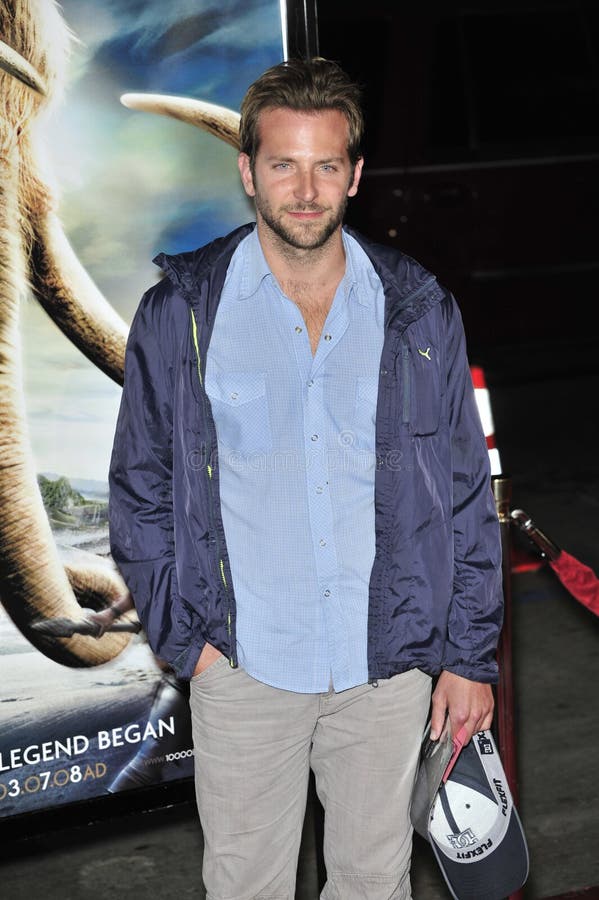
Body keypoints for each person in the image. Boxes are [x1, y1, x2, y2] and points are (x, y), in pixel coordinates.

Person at [109, 57, 503, 900]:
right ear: (247, 170)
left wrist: (468, 657)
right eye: (282, 163)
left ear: (355, 175)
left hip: (387, 670)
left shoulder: (416, 309)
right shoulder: (182, 313)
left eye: (326, 165)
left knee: (373, 881)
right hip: (245, 668)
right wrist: (193, 646)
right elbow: (140, 490)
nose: (304, 189)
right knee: (246, 888)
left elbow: (466, 494)